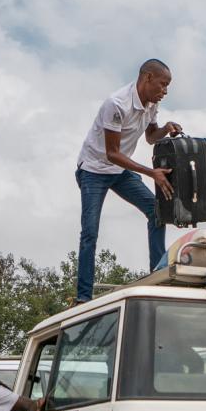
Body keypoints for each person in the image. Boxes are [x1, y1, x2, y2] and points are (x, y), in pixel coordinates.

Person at [75, 58, 182, 303]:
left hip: (119, 171)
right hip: (94, 170)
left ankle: (158, 273)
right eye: (163, 85)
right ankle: (83, 297)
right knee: (90, 232)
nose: (165, 91)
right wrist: (150, 172)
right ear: (148, 78)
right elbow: (111, 153)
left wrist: (165, 128)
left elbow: (151, 138)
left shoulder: (151, 105)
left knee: (156, 211)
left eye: (168, 87)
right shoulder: (116, 104)